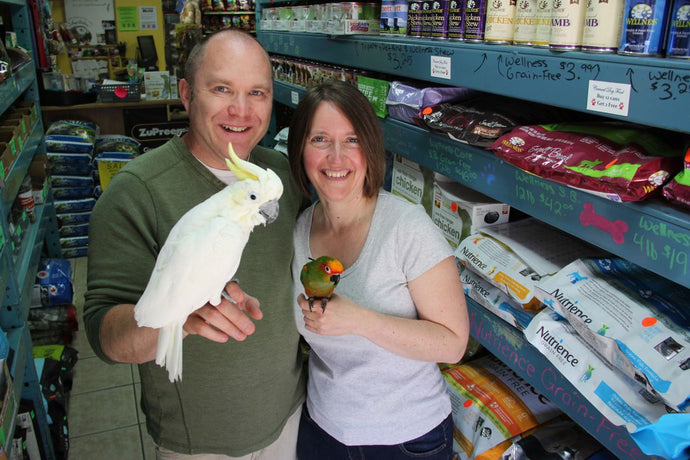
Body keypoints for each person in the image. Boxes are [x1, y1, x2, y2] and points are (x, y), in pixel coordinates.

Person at [83, 30, 306, 459]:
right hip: (197, 442)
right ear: (186, 94)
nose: (241, 110)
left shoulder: (282, 177)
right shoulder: (134, 193)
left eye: (257, 92)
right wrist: (183, 318)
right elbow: (105, 337)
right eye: (221, 89)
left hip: (289, 415)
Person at [287, 79, 470, 460]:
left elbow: (453, 344)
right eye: (319, 139)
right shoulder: (300, 229)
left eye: (352, 140)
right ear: (299, 149)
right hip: (322, 429)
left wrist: (360, 321)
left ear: (370, 149)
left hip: (405, 440)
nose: (336, 158)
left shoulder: (406, 227)